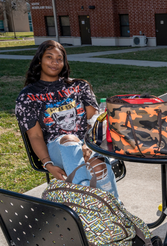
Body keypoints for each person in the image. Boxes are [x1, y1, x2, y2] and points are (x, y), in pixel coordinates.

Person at [15, 40, 119, 199]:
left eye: (59, 58)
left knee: (98, 165)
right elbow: (35, 136)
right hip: (57, 148)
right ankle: (87, 205)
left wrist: (88, 144)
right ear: (39, 60)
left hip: (87, 145)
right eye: (49, 57)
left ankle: (114, 211)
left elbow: (94, 120)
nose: (55, 62)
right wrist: (48, 164)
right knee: (68, 140)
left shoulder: (79, 86)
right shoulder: (28, 96)